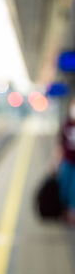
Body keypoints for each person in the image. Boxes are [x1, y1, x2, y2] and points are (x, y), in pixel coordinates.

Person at [51, 96, 75, 226]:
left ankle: (72, 213)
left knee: (74, 189)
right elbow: (60, 144)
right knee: (64, 187)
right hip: (66, 161)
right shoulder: (66, 124)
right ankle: (64, 211)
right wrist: (54, 162)